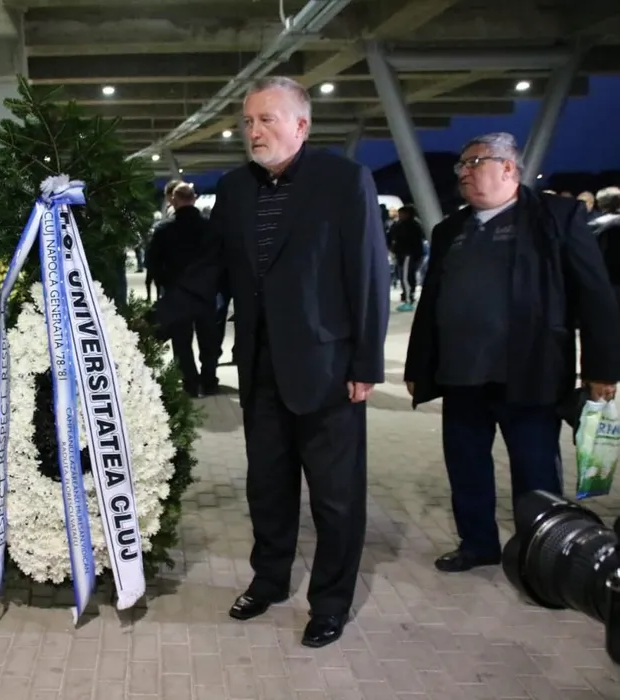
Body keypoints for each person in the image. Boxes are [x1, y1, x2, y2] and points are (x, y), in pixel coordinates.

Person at [210, 77, 390, 647]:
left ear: (302, 125)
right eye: (248, 122)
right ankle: (269, 580)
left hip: (328, 370)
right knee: (267, 487)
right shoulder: (235, 188)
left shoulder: (344, 181)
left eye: (266, 119)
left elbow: (368, 274)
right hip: (259, 368)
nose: (254, 131)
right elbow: (212, 272)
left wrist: (366, 363)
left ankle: (330, 602)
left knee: (335, 497)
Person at [404, 133, 620, 574]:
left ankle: (543, 556)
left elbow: (596, 295)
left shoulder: (556, 217)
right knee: (466, 465)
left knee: (535, 471)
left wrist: (601, 369)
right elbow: (430, 304)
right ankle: (477, 544)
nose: (463, 173)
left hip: (529, 373)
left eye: (474, 162)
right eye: (461, 165)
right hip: (461, 375)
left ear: (508, 167)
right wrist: (418, 366)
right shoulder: (450, 230)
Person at [145, 182, 220, 397]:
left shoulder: (164, 230)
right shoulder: (211, 228)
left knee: (181, 342)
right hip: (206, 293)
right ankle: (209, 381)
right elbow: (222, 260)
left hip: (177, 293)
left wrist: (164, 283)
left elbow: (153, 262)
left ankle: (190, 383)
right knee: (209, 341)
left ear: (173, 200)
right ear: (194, 198)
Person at [389, 205, 425, 311]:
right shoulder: (407, 225)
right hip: (406, 254)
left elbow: (404, 241)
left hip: (407, 254)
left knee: (406, 278)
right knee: (407, 277)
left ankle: (409, 300)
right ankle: (408, 297)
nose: (399, 215)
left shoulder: (409, 226)